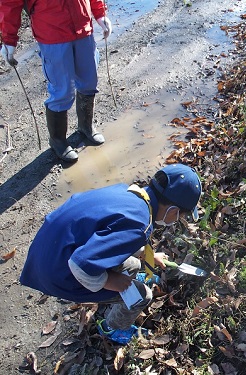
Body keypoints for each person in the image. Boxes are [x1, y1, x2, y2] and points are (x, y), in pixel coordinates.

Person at [19, 163, 202, 344]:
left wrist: (148, 255)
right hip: (60, 273)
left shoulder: (129, 192)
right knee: (142, 296)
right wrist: (111, 281)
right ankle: (111, 328)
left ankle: (125, 278)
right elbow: (79, 264)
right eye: (182, 216)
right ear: (173, 211)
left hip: (48, 252)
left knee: (135, 265)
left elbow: (113, 233)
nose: (179, 220)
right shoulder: (140, 226)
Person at [0, 0, 113, 162]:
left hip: (83, 29)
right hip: (53, 35)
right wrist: (9, 40)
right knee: (62, 91)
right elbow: (10, 4)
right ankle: (58, 140)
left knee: (89, 82)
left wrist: (100, 14)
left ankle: (86, 127)